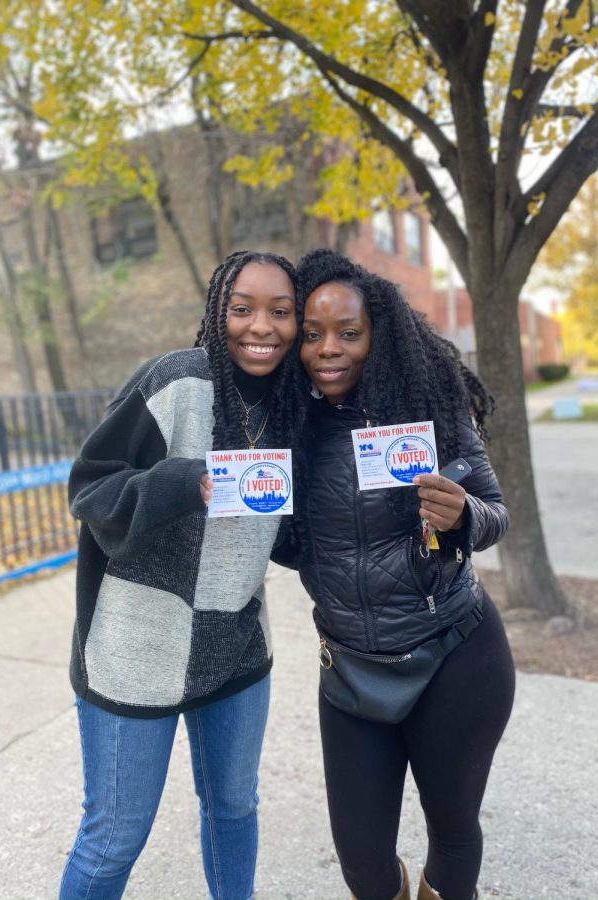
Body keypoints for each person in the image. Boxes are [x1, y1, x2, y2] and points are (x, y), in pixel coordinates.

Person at [274, 249, 515, 900]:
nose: (329, 349)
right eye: (313, 334)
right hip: (350, 671)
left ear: (375, 336)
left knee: (454, 830)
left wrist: (461, 514)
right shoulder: (288, 427)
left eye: (347, 333)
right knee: (361, 862)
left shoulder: (426, 404)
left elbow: (495, 513)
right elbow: (297, 549)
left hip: (454, 657)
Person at [60, 250, 300, 900]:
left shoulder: (295, 408)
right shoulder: (174, 380)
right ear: (218, 309)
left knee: (233, 810)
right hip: (135, 651)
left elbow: (291, 535)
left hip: (237, 646)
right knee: (113, 838)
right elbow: (89, 487)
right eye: (242, 307)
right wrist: (181, 482)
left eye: (280, 311)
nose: (261, 326)